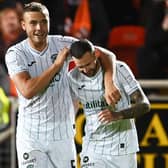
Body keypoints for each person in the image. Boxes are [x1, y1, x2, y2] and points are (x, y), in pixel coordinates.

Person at [5, 2, 120, 168]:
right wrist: (57, 65)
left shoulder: (63, 43)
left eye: (44, 21)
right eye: (33, 23)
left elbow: (105, 54)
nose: (39, 27)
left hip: (62, 134)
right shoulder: (15, 53)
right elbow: (28, 90)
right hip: (32, 136)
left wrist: (109, 83)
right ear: (23, 25)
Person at [66, 40, 151, 168]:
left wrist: (117, 115)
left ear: (96, 55)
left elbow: (145, 105)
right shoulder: (72, 77)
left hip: (123, 146)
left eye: (88, 64)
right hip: (93, 146)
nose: (85, 70)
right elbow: (71, 108)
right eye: (80, 67)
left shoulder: (120, 69)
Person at [137, 0, 168, 78]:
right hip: (162, 50)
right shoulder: (158, 9)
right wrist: (164, 27)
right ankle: (149, 88)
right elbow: (150, 39)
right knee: (144, 52)